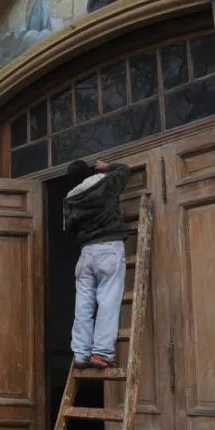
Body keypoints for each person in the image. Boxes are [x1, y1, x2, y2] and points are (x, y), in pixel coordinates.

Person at [64, 158, 131, 369]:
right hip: (109, 248)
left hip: (86, 254)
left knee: (83, 305)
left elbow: (69, 229)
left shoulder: (70, 198)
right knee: (108, 300)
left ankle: (81, 354)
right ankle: (101, 353)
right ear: (90, 171)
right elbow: (124, 169)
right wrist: (106, 167)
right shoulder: (105, 181)